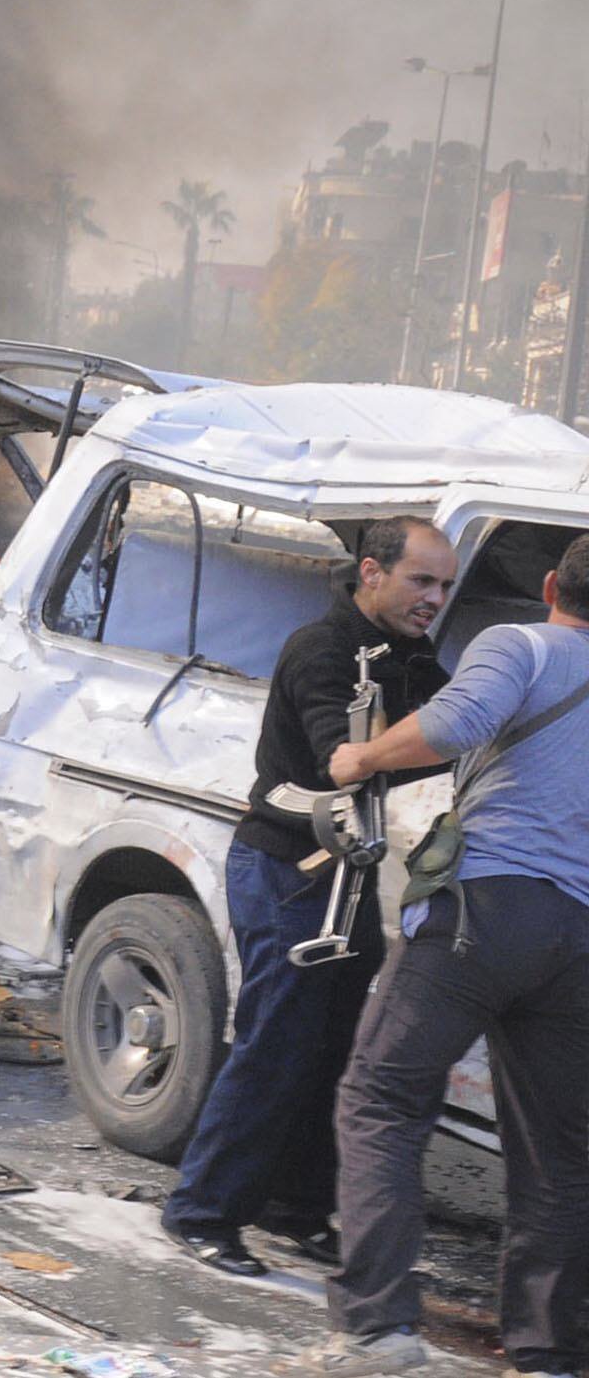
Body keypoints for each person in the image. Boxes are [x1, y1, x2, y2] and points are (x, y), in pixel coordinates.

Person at [288, 529, 589, 1377]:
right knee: (557, 1151)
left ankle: (380, 1328)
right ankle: (549, 1350)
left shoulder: (520, 643)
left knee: (381, 1096)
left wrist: (362, 754)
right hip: (579, 939)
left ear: (547, 585)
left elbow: (456, 722)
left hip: (484, 914)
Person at [163, 518, 453, 1277]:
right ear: (372, 572)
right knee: (274, 1046)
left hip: (348, 880)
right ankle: (201, 1211)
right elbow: (342, 761)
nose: (436, 598)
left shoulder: (409, 653)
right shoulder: (320, 650)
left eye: (446, 585)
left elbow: (441, 732)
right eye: (422, 580)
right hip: (285, 870)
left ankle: (296, 1209)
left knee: (337, 1051)